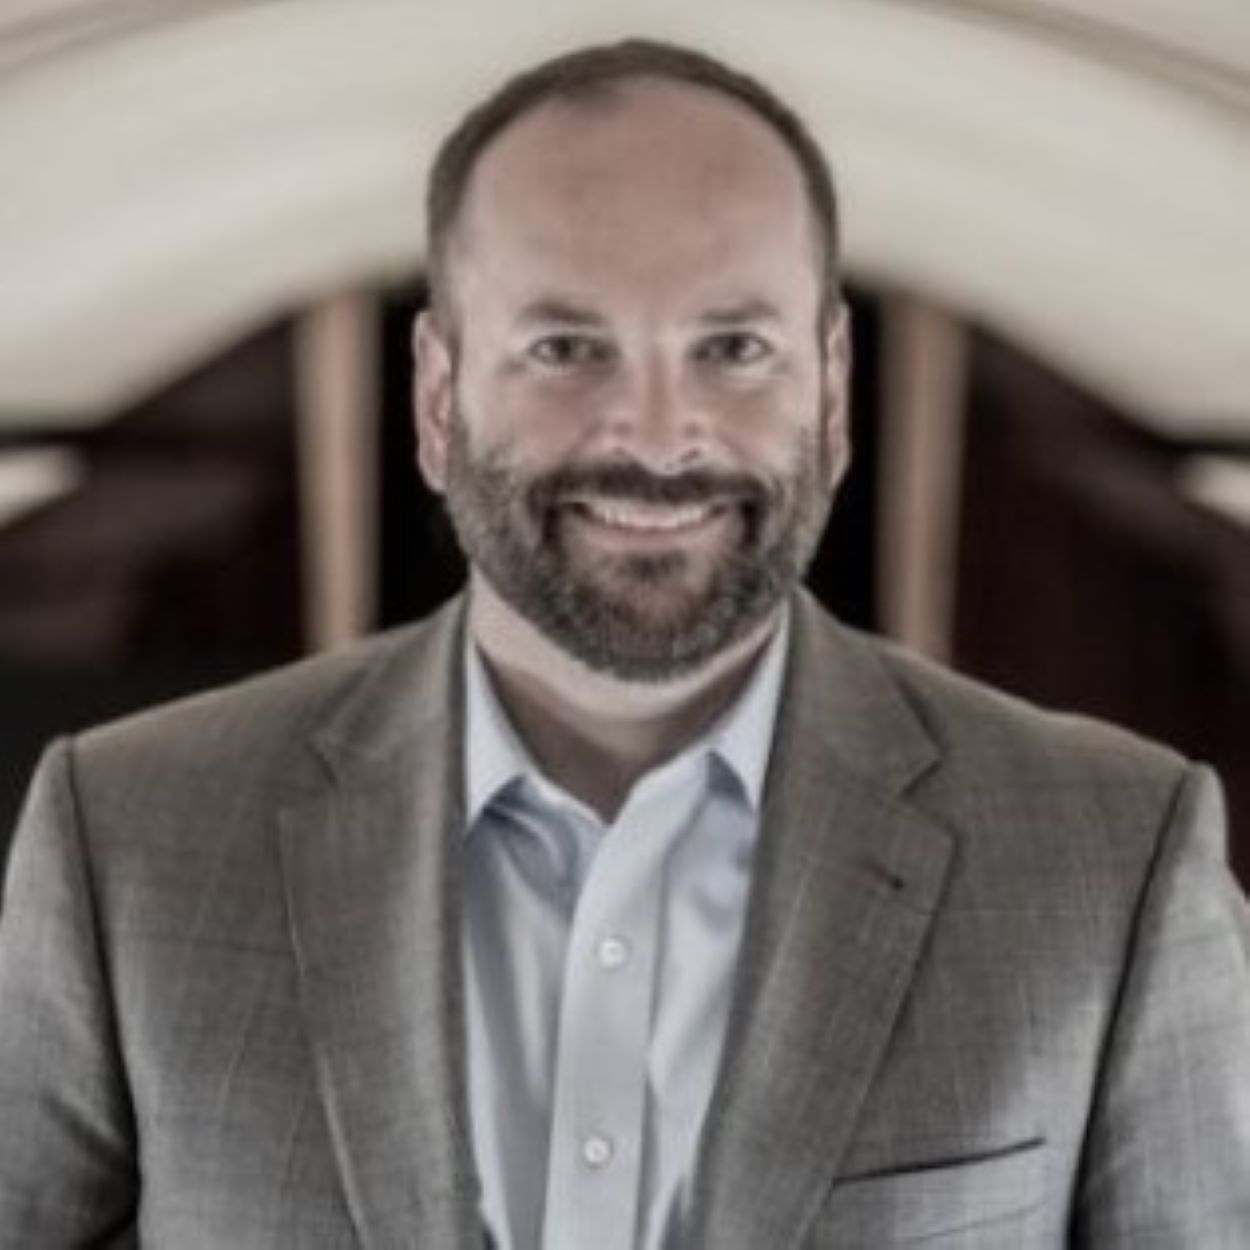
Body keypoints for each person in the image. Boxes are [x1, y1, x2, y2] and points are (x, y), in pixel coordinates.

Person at [1, 37, 1248, 1250]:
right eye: (565, 347)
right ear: (436, 396)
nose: (655, 434)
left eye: (732, 348)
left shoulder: (1117, 859)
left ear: (830, 387)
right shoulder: (123, 838)